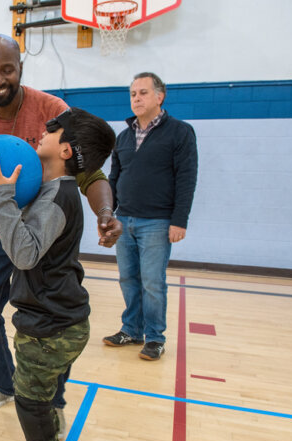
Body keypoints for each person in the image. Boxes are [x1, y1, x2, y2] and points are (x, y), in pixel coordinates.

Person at [0, 34, 122, 419]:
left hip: (46, 225)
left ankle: (52, 400)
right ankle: (5, 383)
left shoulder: (52, 110)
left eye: (6, 69)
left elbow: (88, 172)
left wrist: (105, 212)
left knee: (50, 318)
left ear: (20, 69)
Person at [0, 107, 116, 441]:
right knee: (43, 399)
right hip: (59, 318)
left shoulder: (59, 197)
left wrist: (0, 196)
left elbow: (23, 255)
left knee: (31, 403)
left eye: (52, 130)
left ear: (66, 149)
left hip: (50, 326)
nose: (43, 131)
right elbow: (21, 237)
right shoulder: (53, 192)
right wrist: (4, 207)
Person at [103, 72, 198, 361]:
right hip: (124, 220)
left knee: (153, 282)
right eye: (133, 94)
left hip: (157, 222)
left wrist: (179, 220)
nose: (136, 98)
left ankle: (155, 337)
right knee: (128, 279)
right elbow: (115, 177)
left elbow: (186, 178)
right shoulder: (123, 137)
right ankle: (132, 329)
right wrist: (108, 216)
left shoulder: (180, 132)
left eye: (143, 93)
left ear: (160, 96)